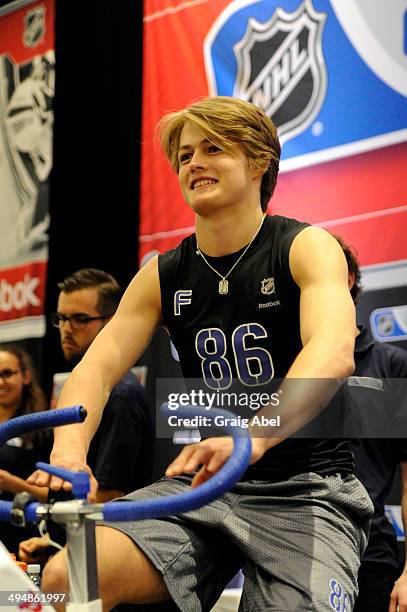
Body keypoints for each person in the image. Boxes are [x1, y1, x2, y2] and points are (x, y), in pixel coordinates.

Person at [31, 96, 372, 611]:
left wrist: (251, 439)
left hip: (306, 489)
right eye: (185, 154)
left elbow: (333, 351)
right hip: (203, 485)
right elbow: (95, 371)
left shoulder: (306, 245)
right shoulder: (162, 273)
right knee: (69, 574)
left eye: (213, 148)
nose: (194, 162)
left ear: (259, 162)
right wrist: (68, 454)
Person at [335, 236, 407, 612]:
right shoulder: (287, 369)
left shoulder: (392, 366)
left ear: (346, 278)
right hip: (296, 553)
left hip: (371, 559)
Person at [0, 345, 50, 554]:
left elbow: (57, 497)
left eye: (7, 374)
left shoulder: (41, 429)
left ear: (26, 376)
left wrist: (13, 484)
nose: (0, 382)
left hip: (23, 543)